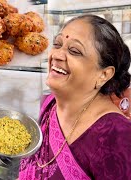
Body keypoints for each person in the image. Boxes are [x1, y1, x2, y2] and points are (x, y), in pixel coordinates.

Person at [19, 14, 131, 179]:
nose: (56, 55)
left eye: (74, 51)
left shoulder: (117, 135)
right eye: (57, 44)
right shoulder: (49, 103)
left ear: (104, 74)